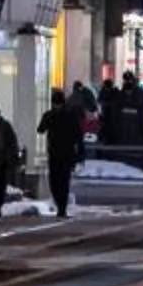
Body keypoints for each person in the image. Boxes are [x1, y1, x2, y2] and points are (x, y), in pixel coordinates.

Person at [36, 85, 85, 216]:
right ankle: (60, 204)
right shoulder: (50, 115)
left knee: (63, 181)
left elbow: (78, 136)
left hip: (67, 153)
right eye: (55, 104)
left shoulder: (69, 116)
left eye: (58, 104)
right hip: (54, 152)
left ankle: (61, 207)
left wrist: (80, 154)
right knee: (54, 181)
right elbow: (40, 129)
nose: (57, 106)